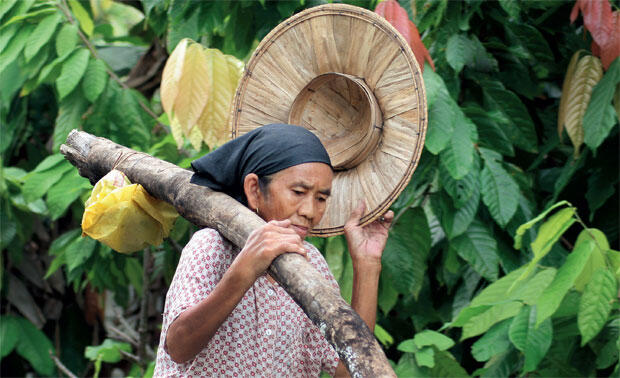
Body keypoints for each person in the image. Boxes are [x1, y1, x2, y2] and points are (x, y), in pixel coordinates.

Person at [154, 124, 393, 377]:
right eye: (298, 192)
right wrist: (245, 269)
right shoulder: (212, 246)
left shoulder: (313, 264)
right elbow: (178, 347)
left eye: (321, 198)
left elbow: (347, 372)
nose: (309, 211)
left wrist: (367, 264)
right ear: (254, 190)